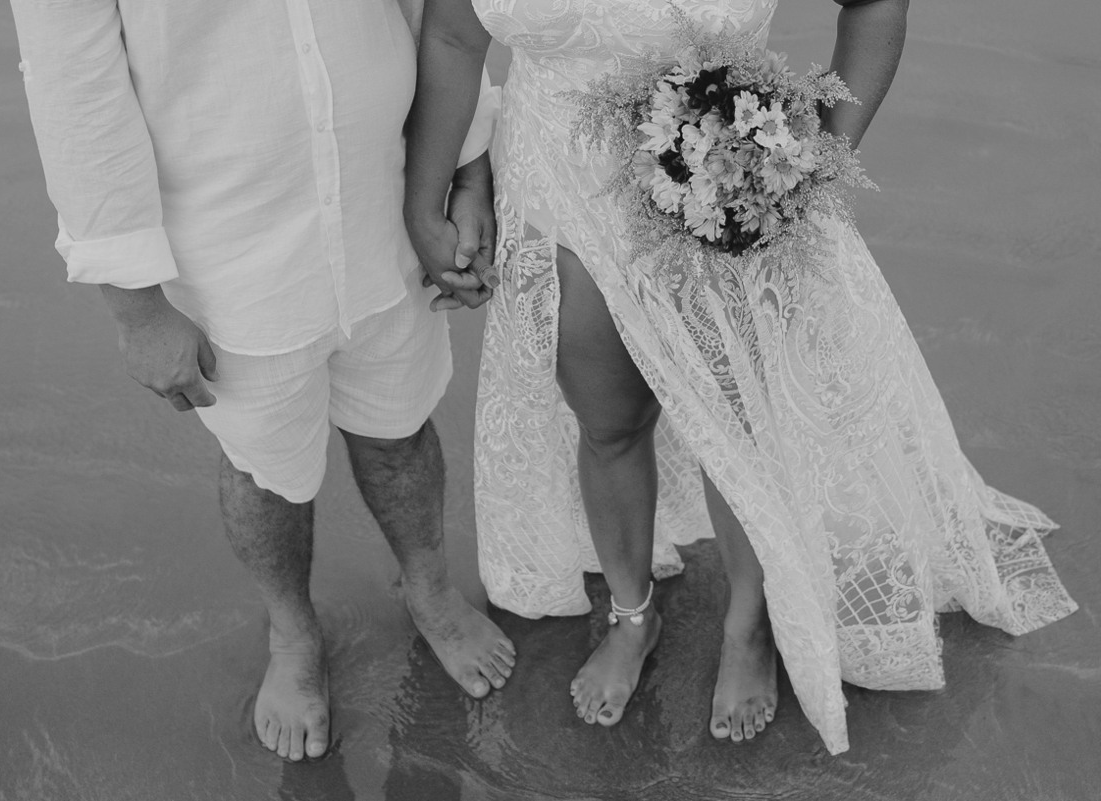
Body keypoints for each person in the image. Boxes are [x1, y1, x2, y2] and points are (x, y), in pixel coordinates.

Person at [404, 0, 1078, 754]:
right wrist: (427, 196)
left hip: (722, 186)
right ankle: (632, 615)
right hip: (554, 182)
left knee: (735, 426)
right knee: (608, 425)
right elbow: (453, 33)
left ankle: (747, 624)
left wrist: (815, 162)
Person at [8, 0, 515, 763]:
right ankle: (292, 633)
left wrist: (465, 169)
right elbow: (72, 84)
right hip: (231, 245)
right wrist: (136, 308)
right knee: (265, 467)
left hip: (385, 197)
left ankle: (430, 590)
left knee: (402, 425)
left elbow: (436, 9)